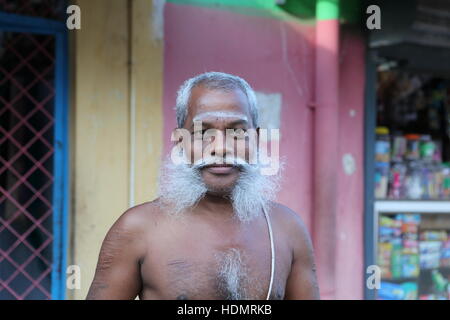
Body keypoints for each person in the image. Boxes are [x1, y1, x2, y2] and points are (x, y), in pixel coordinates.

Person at [86, 72, 319, 300]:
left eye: (237, 131)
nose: (220, 148)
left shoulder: (287, 230)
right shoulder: (138, 229)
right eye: (202, 132)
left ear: (255, 140)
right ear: (180, 142)